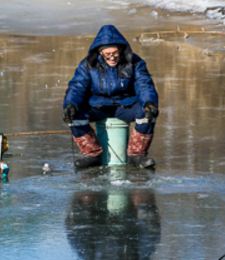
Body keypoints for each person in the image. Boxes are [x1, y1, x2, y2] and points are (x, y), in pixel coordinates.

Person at [62, 25, 159, 168]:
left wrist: (149, 103)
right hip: (97, 105)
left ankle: (137, 155)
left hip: (126, 104)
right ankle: (92, 154)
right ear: (100, 52)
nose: (112, 57)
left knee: (147, 113)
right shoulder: (88, 64)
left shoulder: (134, 62)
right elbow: (77, 87)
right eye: (107, 54)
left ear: (120, 49)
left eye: (115, 53)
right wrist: (70, 105)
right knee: (75, 115)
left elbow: (144, 85)